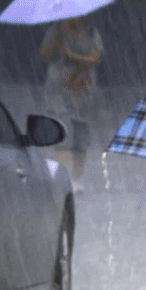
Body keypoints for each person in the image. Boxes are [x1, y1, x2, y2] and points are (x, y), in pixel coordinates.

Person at [38, 14, 103, 178]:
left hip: (82, 92)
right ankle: (63, 176)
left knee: (81, 134)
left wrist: (72, 55)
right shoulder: (55, 30)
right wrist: (58, 36)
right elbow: (44, 55)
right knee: (61, 132)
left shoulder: (91, 32)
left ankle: (76, 178)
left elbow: (96, 58)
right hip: (58, 92)